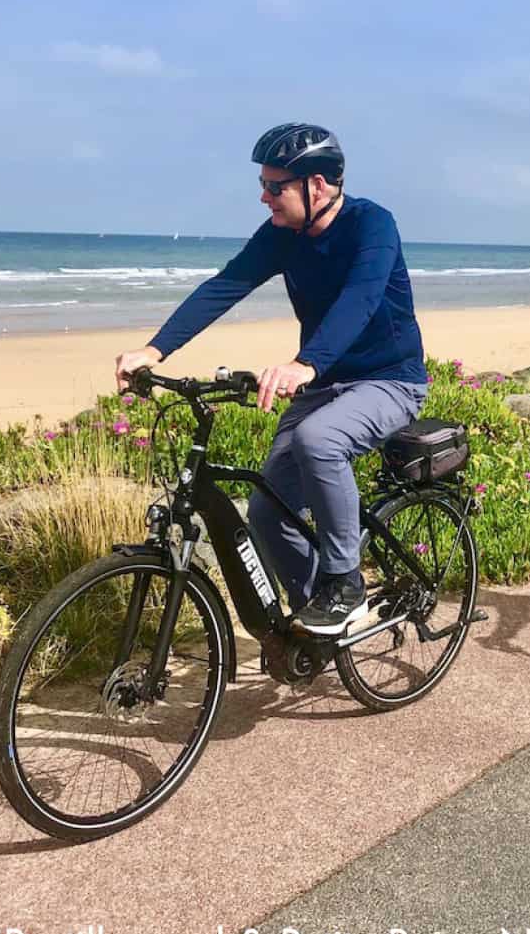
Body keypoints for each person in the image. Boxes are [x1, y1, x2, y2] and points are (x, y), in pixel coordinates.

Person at [114, 123, 428, 636]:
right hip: (325, 382)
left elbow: (361, 299)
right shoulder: (283, 236)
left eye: (275, 186)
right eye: (264, 185)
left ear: (318, 185)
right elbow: (226, 286)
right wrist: (154, 349)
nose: (264, 197)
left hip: (389, 380)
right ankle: (320, 626)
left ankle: (345, 584)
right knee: (266, 510)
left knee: (318, 440)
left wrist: (306, 364)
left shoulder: (373, 225)